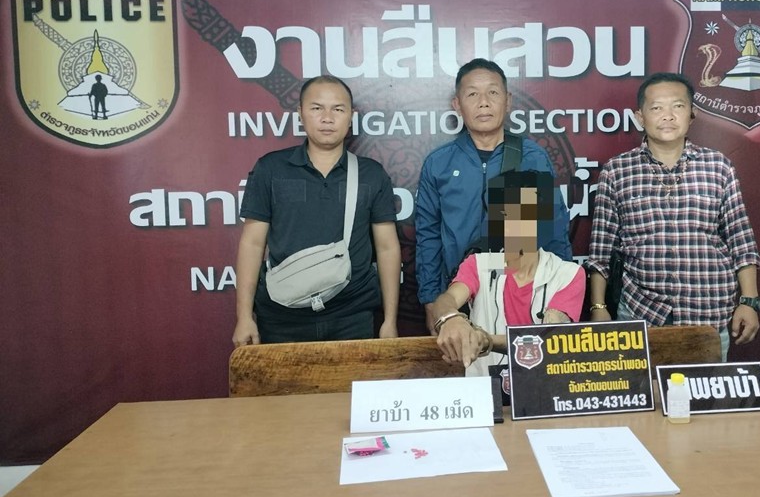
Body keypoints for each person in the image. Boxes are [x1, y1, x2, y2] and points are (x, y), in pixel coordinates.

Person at [585, 72, 760, 360]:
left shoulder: (718, 167)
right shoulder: (617, 171)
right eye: (656, 108)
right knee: (641, 390)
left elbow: (741, 242)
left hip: (708, 315)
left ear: (692, 114)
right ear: (640, 117)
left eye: (677, 106)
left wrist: (749, 301)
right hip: (640, 313)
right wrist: (598, 307)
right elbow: (601, 250)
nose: (667, 115)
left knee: (706, 389)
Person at [232, 75, 401, 345]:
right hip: (281, 317)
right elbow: (252, 244)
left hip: (352, 316)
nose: (327, 118)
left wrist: (390, 320)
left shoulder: (371, 174)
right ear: (300, 113)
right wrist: (243, 317)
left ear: (351, 116)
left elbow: (387, 248)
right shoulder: (271, 169)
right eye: (317, 108)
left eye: (338, 109)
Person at [415, 58, 572, 335]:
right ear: (457, 104)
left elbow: (554, 230)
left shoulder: (531, 158)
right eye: (472, 94)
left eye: (493, 92)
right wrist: (432, 301)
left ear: (508, 101)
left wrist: (560, 297)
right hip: (458, 297)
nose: (484, 103)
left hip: (523, 297)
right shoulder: (439, 163)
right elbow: (428, 236)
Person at [433, 170, 585, 376]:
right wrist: (451, 318)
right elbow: (447, 300)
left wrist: (486, 340)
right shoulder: (481, 264)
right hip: (485, 387)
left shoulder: (567, 274)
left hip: (544, 387)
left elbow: (547, 340)